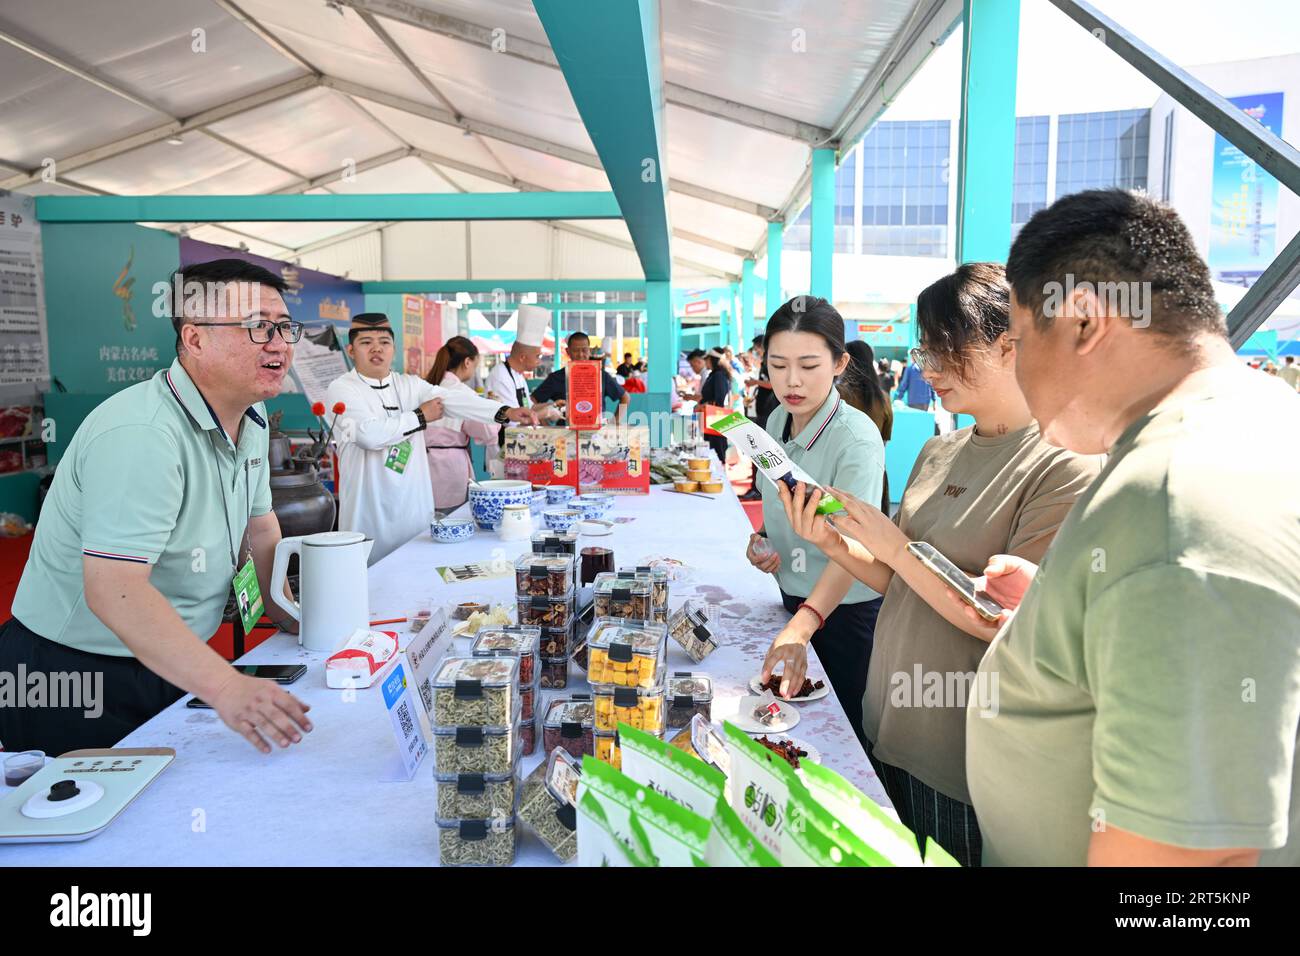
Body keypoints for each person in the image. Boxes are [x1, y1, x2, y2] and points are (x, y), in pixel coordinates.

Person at [952, 188, 1300, 866]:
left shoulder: (1176, 502)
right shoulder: (1258, 414)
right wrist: (1062, 608)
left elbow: (1184, 871)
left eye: (1020, 342)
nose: (1017, 372)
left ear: (1083, 320)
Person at [778, 264, 1101, 865]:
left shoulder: (1065, 465)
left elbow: (1001, 617)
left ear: (1011, 346)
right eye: (926, 348)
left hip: (963, 755)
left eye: (947, 349)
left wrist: (894, 546)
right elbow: (897, 583)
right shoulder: (939, 447)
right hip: (888, 724)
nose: (928, 369)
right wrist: (831, 542)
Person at [0, 259, 313, 756]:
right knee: (92, 824)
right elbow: (114, 590)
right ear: (194, 339)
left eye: (284, 326)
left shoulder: (250, 418)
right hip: (75, 672)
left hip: (170, 657)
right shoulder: (144, 433)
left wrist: (296, 616)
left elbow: (260, 531)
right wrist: (228, 687)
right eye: (257, 326)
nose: (279, 342)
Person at [753, 297, 886, 750]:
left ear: (839, 363)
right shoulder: (774, 419)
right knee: (784, 733)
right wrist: (765, 544)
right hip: (792, 602)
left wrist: (806, 622)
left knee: (839, 743)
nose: (791, 381)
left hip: (842, 614)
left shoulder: (856, 439)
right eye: (778, 364)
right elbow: (781, 509)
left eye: (809, 365)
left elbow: (853, 551)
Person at [328, 314, 537, 564]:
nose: (376, 349)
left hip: (414, 511)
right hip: (370, 515)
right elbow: (367, 435)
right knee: (374, 587)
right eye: (366, 342)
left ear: (393, 349)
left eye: (384, 342)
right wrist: (419, 416)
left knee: (416, 577)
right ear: (351, 350)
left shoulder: (410, 385)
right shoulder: (341, 389)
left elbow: (453, 398)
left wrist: (503, 411)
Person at [424, 336, 501, 513]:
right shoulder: (463, 394)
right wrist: (493, 409)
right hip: (450, 470)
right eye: (475, 365)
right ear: (467, 362)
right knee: (451, 521)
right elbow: (487, 433)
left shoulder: (425, 387)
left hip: (421, 467)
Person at [485, 304, 554, 476]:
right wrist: (544, 414)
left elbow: (528, 407)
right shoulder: (500, 376)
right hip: (503, 450)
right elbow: (513, 420)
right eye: (537, 356)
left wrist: (553, 406)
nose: (539, 361)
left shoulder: (518, 375)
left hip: (519, 448)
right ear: (523, 356)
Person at [839, 339, 893, 512]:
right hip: (876, 470)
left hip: (842, 472)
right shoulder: (883, 397)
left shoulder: (838, 394)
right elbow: (885, 438)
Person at [531, 331, 628, 424]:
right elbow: (533, 401)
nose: (580, 355)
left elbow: (625, 397)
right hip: (565, 436)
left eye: (584, 350)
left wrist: (614, 423)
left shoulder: (601, 375)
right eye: (575, 351)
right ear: (568, 351)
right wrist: (544, 424)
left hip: (595, 434)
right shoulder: (556, 377)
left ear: (589, 351)